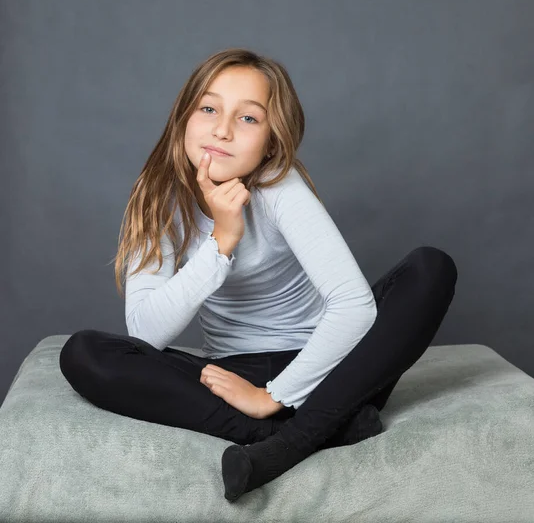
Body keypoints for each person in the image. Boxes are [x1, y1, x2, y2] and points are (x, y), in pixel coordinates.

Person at [59, 47, 458, 502]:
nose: (222, 130)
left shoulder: (278, 184)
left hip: (328, 368)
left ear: (270, 141)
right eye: (208, 108)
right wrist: (221, 243)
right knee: (84, 353)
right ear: (183, 118)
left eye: (248, 119)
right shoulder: (160, 198)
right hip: (232, 371)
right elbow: (146, 332)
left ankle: (286, 443)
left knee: (431, 267)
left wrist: (272, 397)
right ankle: (309, 430)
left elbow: (353, 306)